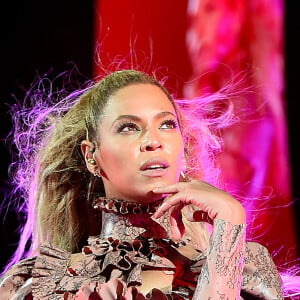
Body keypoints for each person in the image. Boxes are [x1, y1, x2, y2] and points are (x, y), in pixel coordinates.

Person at [0, 70, 286, 299]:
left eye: (167, 124)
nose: (153, 141)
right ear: (91, 156)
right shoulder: (37, 284)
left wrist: (229, 221)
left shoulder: (245, 266)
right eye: (128, 127)